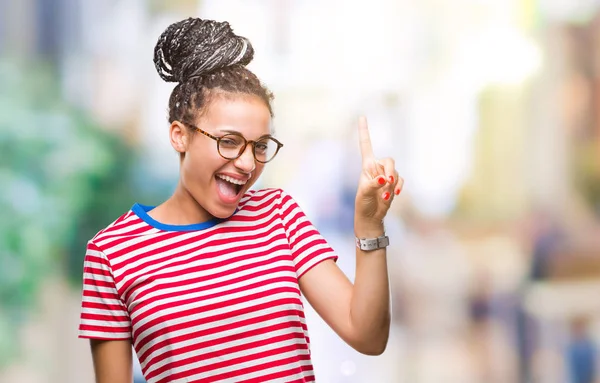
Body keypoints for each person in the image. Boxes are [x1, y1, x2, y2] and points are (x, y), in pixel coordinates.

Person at [78, 17, 402, 383]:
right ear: (179, 136)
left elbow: (368, 336)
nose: (248, 163)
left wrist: (370, 226)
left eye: (260, 146)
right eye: (229, 141)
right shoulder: (112, 253)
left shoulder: (279, 216)